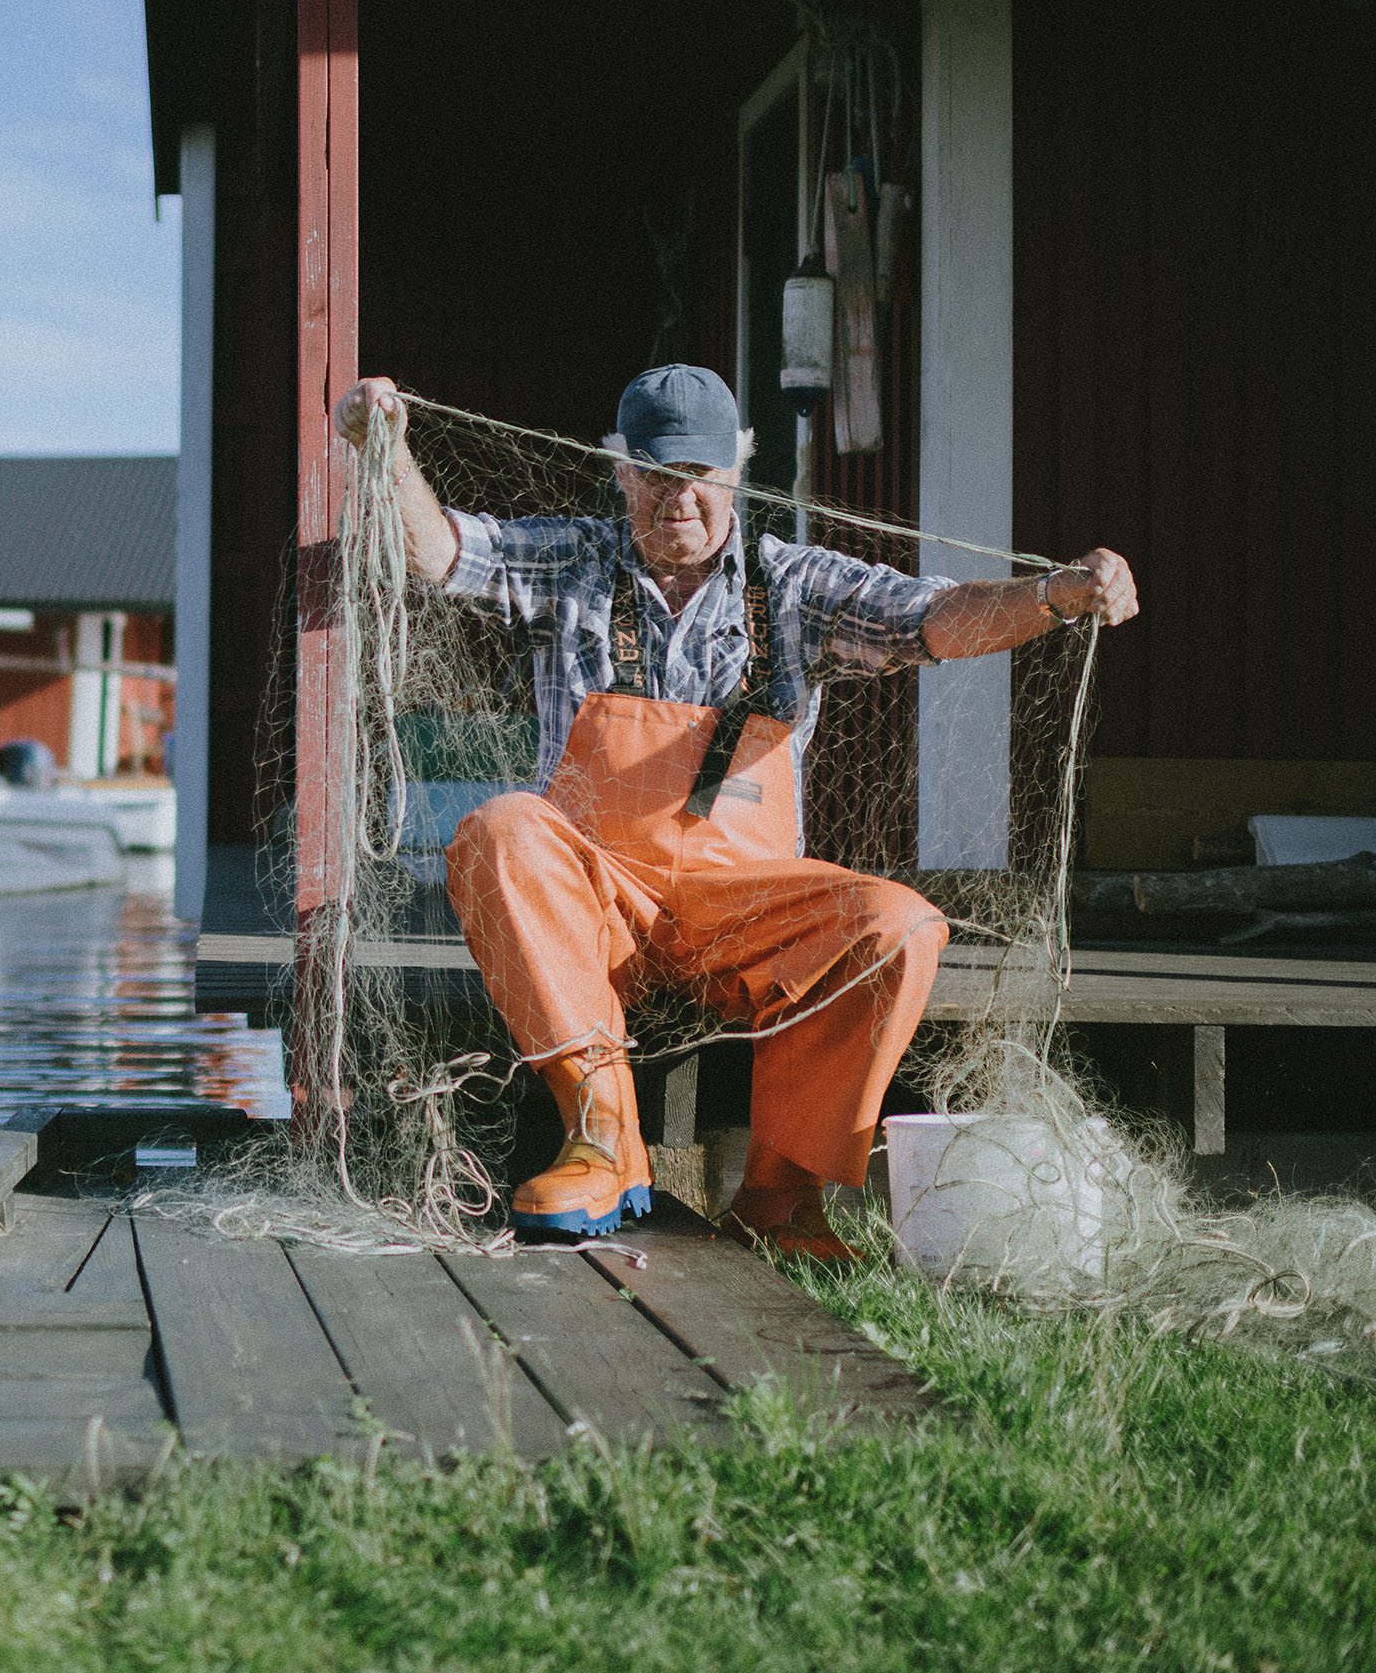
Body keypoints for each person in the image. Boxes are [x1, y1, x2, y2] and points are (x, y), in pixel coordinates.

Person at [333, 365, 1137, 1256]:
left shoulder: (794, 584)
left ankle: (780, 1195)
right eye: (657, 473)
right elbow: (437, 551)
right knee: (501, 829)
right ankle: (604, 1140)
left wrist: (1052, 596)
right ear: (620, 471)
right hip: (599, 907)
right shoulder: (571, 562)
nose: (680, 496)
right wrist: (385, 447)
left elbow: (934, 618)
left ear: (737, 474)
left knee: (898, 924)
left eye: (702, 476)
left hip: (745, 912)